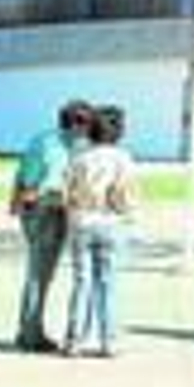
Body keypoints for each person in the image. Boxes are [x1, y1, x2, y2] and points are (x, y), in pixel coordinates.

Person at [10, 99, 94, 353]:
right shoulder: (54, 144)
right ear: (76, 124)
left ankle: (30, 329)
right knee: (39, 273)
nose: (89, 130)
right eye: (86, 124)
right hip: (46, 208)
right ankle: (29, 333)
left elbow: (22, 172)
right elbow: (29, 178)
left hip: (52, 207)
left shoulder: (45, 140)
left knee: (42, 273)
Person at [61, 105, 139, 358]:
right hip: (111, 223)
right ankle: (109, 341)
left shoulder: (80, 157)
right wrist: (126, 214)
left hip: (82, 223)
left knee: (81, 281)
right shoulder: (123, 159)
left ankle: (74, 340)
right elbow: (125, 195)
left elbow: (68, 193)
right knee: (108, 283)